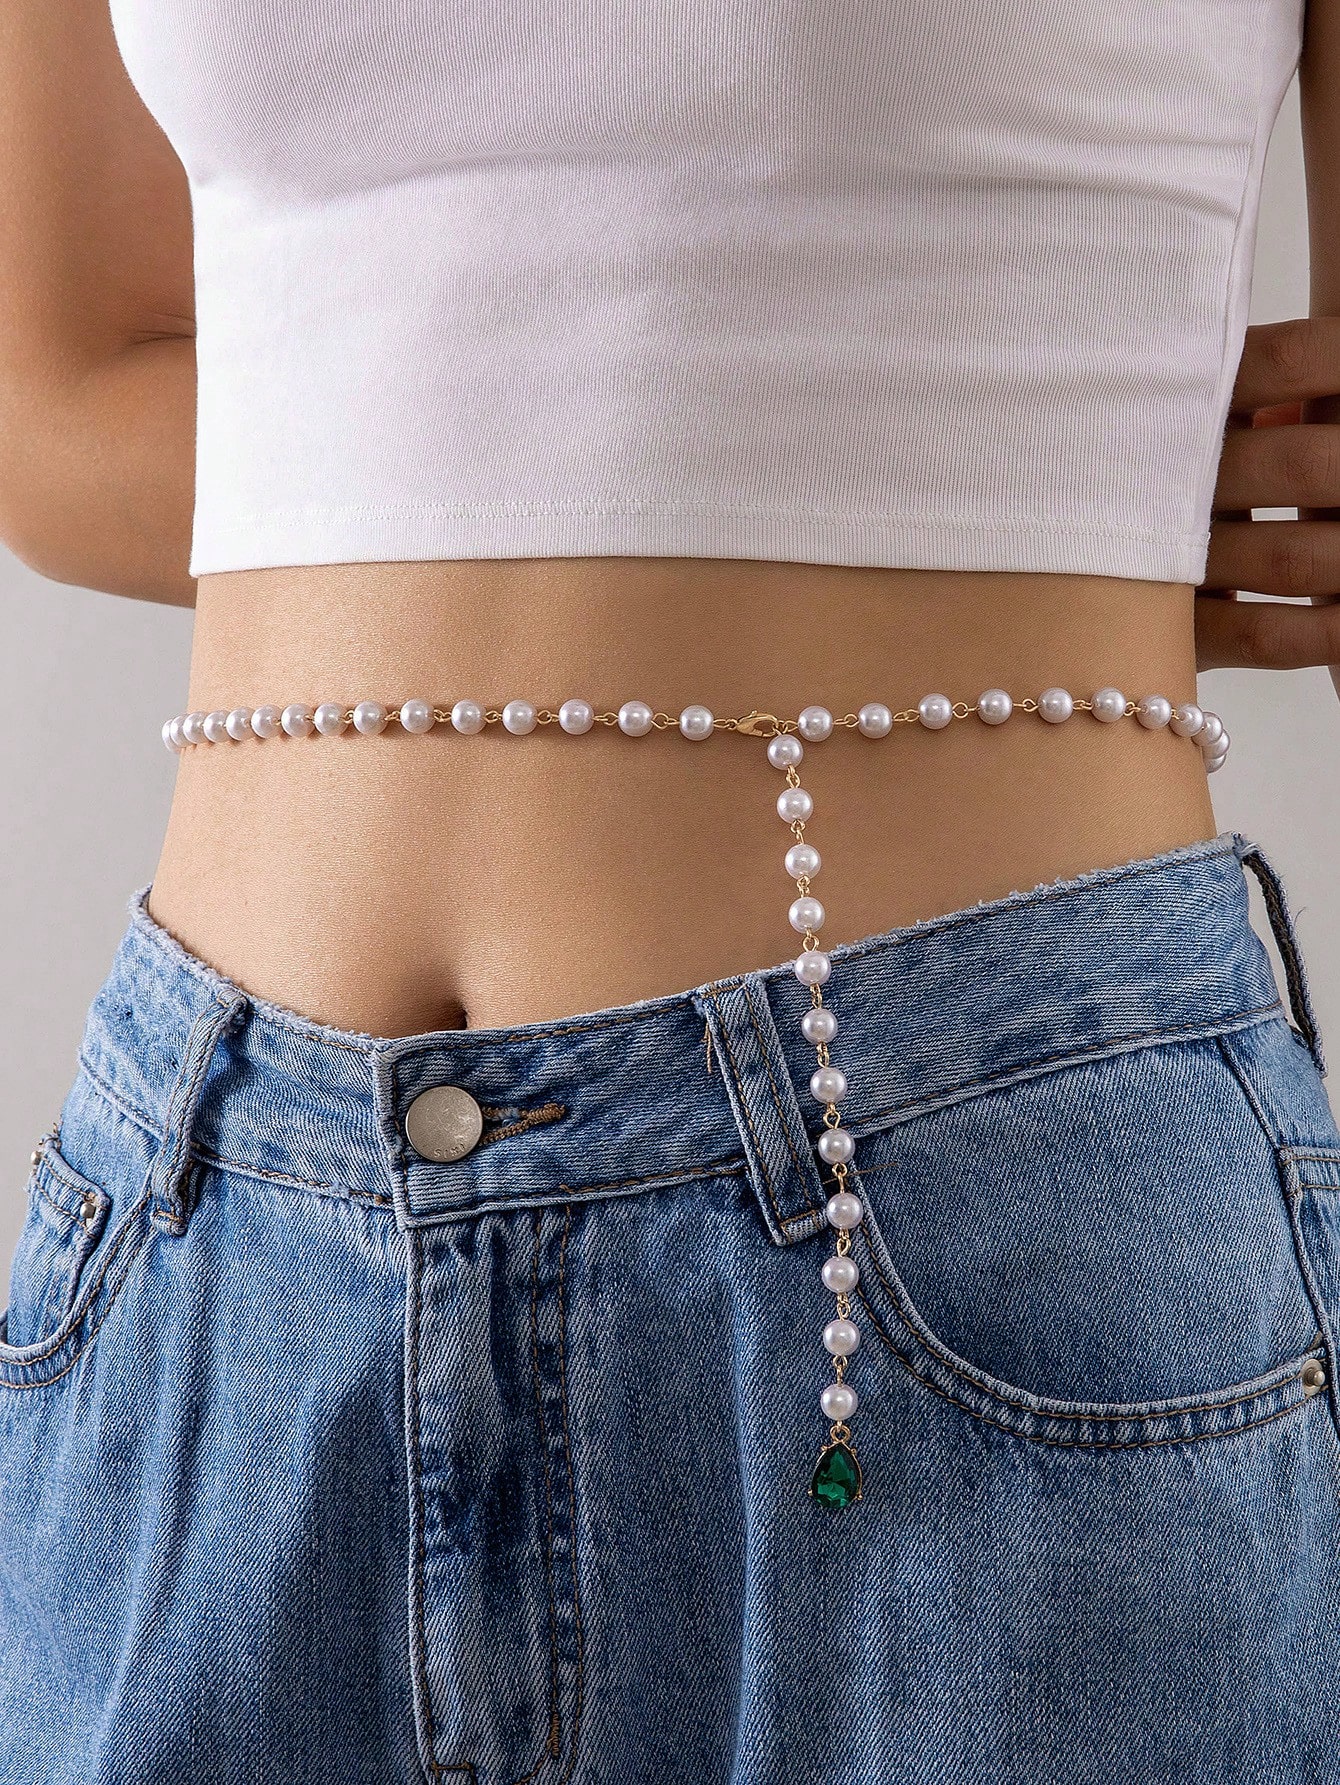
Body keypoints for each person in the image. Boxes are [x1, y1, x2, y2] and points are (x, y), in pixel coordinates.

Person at [0, 2, 1338, 1780]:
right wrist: (923, 457)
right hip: (222, 1231)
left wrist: (1052, 462)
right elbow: (55, 395)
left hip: (969, 1213)